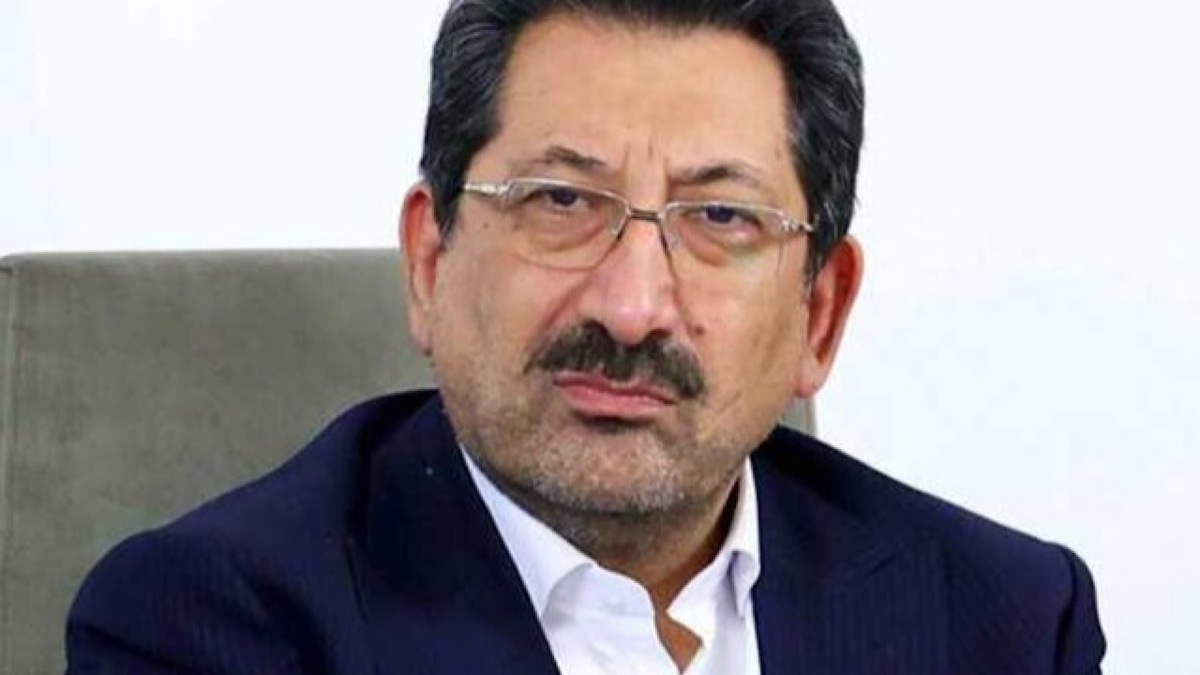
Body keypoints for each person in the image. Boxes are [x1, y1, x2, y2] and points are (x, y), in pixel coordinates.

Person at [65, 0, 1106, 673]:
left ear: (819, 314)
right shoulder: (206, 628)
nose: (631, 306)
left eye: (721, 217)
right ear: (429, 263)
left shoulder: (1007, 622)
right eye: (561, 200)